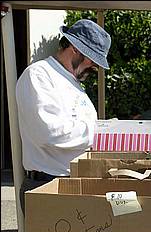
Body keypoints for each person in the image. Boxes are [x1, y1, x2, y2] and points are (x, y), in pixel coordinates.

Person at [16, 19, 111, 215]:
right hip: (47, 184)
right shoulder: (39, 75)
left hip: (72, 181)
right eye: (92, 59)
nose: (94, 66)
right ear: (75, 48)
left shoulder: (71, 81)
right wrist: (102, 131)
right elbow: (48, 132)